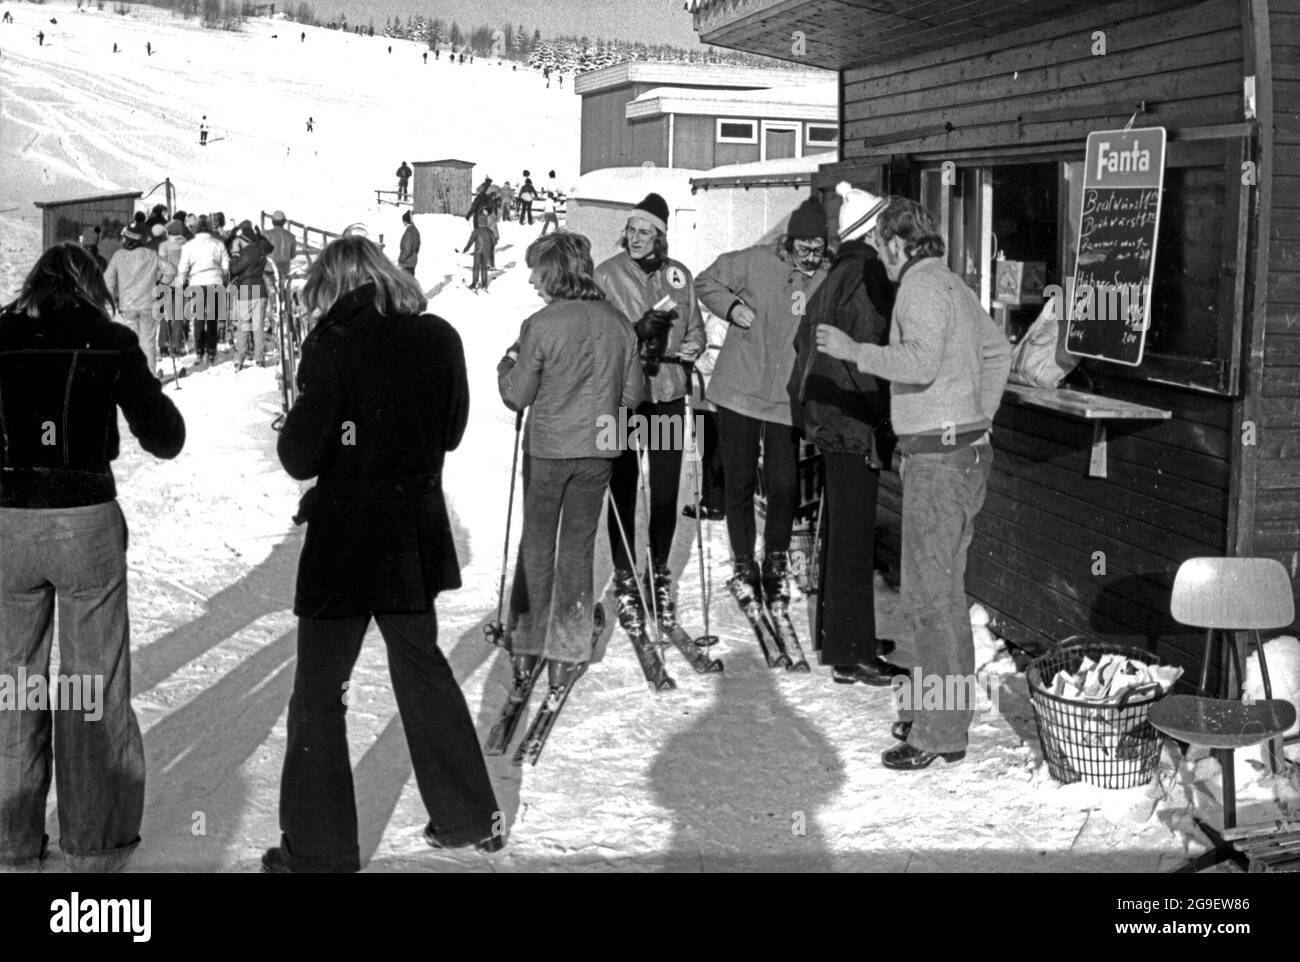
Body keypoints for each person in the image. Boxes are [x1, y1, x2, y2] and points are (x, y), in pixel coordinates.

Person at [264, 235, 498, 872]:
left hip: (346, 535)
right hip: (412, 527)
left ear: (335, 286)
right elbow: (450, 430)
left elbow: (300, 458)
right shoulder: (438, 335)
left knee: (320, 693)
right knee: (422, 669)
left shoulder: (334, 343)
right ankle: (469, 814)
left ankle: (319, 849)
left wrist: (299, 416)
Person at [0, 243, 185, 872]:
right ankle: (94, 843)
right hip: (84, 519)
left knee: (12, 682)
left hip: (8, 521)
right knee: (89, 684)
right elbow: (165, 436)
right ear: (88, 284)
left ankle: (12, 839)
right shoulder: (107, 339)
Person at [814, 197, 1012, 770]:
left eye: (881, 242)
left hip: (940, 465)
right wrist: (979, 416)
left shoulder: (920, 288)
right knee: (944, 597)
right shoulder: (953, 284)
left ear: (900, 242)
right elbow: (998, 351)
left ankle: (938, 733)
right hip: (965, 454)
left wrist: (856, 352)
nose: (879, 252)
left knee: (930, 602)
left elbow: (921, 363)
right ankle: (943, 715)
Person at [497, 232, 643, 702]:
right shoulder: (620, 323)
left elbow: (517, 394)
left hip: (549, 449)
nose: (534, 280)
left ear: (555, 272)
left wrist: (506, 365)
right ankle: (566, 654)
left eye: (539, 271)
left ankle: (527, 646)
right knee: (578, 549)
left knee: (537, 546)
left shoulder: (540, 323)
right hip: (597, 450)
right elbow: (632, 396)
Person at [695, 196, 830, 653]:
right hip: (738, 389)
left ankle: (774, 562)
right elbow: (705, 281)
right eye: (805, 247)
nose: (812, 256)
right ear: (789, 241)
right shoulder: (754, 261)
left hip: (783, 399)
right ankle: (742, 563)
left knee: (784, 484)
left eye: (819, 248)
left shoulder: (824, 277)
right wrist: (733, 309)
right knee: (736, 482)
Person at [789, 182, 901, 686]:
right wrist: (887, 408)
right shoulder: (866, 273)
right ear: (873, 231)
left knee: (840, 534)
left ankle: (841, 637)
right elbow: (864, 355)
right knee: (854, 540)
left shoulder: (837, 272)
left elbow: (802, 339)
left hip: (828, 414)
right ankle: (851, 652)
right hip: (852, 418)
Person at [594, 193, 705, 684]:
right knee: (621, 487)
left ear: (661, 234)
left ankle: (657, 572)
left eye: (646, 231)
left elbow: (697, 329)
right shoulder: (607, 274)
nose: (637, 238)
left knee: (665, 489)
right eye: (631, 230)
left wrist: (687, 351)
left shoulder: (679, 275)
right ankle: (623, 574)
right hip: (624, 397)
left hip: (668, 394)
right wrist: (638, 341)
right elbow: (600, 334)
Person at [103, 224, 175, 378]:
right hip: (149, 304)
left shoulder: (118, 256)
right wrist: (161, 284)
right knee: (148, 342)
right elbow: (170, 270)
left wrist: (113, 301)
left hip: (127, 306)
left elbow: (107, 280)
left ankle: (133, 376)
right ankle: (150, 376)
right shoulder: (150, 254)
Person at [176, 215, 229, 370]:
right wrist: (222, 275)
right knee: (212, 317)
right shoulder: (218, 243)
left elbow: (183, 267)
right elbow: (226, 266)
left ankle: (199, 349)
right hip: (214, 281)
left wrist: (181, 282)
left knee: (199, 317)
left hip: (196, 282)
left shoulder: (189, 245)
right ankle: (211, 349)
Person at [228, 222, 273, 369]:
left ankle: (240, 357)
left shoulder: (247, 252)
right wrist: (260, 236)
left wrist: (235, 254)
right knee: (258, 325)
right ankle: (259, 357)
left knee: (244, 325)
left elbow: (234, 269)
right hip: (259, 288)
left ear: (245, 240)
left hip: (246, 290)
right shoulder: (261, 249)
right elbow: (270, 247)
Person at [158, 219, 187, 357]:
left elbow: (161, 265)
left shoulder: (164, 246)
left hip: (166, 282)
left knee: (165, 315)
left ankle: (163, 345)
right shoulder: (186, 245)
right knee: (178, 316)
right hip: (181, 283)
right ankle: (176, 345)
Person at [461, 211, 495, 292]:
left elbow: (470, 241)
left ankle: (474, 283)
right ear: (486, 222)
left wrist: (466, 249)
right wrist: (490, 246)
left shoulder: (476, 231)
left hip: (478, 252)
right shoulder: (489, 231)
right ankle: (484, 284)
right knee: (484, 267)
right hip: (486, 252)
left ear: (479, 222)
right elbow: (494, 241)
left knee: (476, 267)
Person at [265, 209, 296, 281]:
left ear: (273, 221)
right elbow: (293, 255)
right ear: (284, 222)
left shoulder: (267, 234)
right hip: (284, 271)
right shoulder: (291, 236)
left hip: (270, 270)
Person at [398, 210, 419, 276]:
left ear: (405, 221)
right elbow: (417, 246)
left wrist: (401, 259)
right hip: (412, 261)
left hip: (407, 262)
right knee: (410, 282)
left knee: (406, 283)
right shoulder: (414, 230)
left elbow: (407, 249)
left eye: (403, 221)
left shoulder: (409, 232)